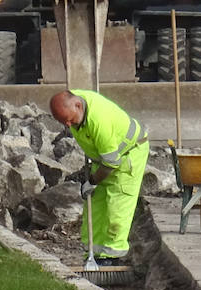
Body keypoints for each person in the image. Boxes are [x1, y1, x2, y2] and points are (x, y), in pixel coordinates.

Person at [49, 89, 149, 266]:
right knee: (95, 206)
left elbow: (112, 163)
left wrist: (93, 181)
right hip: (104, 159)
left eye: (70, 120)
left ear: (78, 106)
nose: (68, 125)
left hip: (128, 157)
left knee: (116, 208)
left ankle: (113, 257)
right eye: (63, 122)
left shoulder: (98, 120)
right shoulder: (74, 106)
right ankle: (94, 255)